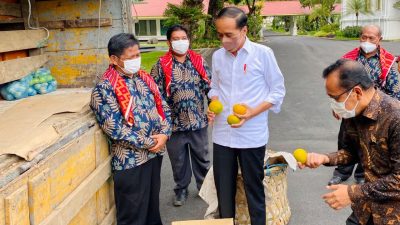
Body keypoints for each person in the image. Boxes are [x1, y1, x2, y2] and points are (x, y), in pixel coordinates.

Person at [207, 7, 285, 225]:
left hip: (252, 135)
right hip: (222, 134)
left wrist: (252, 112)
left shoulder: (263, 54)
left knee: (254, 189)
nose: (223, 40)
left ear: (244, 30)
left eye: (229, 35)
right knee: (224, 191)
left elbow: (277, 91)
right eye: (220, 34)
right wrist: (213, 104)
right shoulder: (218, 57)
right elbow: (214, 88)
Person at [300, 59, 400, 225]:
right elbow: (352, 152)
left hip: (392, 215)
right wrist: (325, 158)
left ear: (357, 92)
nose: (333, 104)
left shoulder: (395, 118)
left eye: (334, 98)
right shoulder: (352, 112)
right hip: (365, 209)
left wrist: (352, 192)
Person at [90, 33, 171, 225]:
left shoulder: (144, 78)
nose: (136, 60)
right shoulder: (104, 89)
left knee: (152, 211)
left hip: (154, 155)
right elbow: (115, 128)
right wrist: (151, 142)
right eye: (130, 57)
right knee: (133, 216)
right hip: (130, 161)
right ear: (114, 59)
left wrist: (165, 134)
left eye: (137, 55)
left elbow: (163, 107)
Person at [328, 24, 400, 186]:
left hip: (375, 114)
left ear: (379, 40)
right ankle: (341, 172)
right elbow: (338, 85)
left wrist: (390, 114)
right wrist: (335, 105)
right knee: (345, 141)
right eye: (363, 37)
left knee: (368, 144)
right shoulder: (348, 59)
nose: (366, 41)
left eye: (371, 38)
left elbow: (395, 91)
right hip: (350, 109)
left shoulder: (388, 63)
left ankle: (362, 174)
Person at [150, 24, 211, 206]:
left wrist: (213, 105)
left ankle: (204, 188)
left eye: (183, 38)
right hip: (174, 124)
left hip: (198, 120)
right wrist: (162, 121)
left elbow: (210, 86)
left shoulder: (199, 61)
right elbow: (156, 95)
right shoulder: (161, 65)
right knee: (178, 161)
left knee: (202, 158)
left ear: (188, 40)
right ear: (169, 42)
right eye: (175, 39)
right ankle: (181, 190)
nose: (180, 42)